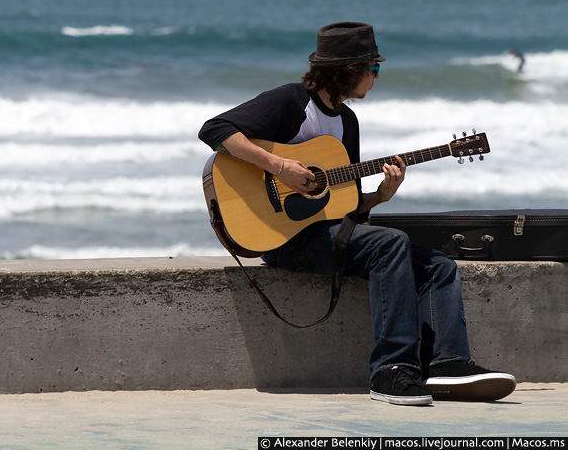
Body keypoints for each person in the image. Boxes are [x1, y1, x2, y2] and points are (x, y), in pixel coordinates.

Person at [198, 22, 517, 406]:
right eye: (374, 69)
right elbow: (214, 130)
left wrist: (379, 196)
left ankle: (448, 363)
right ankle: (391, 371)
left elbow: (341, 201)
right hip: (283, 239)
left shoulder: (347, 121)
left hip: (324, 234)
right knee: (390, 243)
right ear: (349, 70)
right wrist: (280, 167)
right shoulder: (289, 102)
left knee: (438, 265)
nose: (376, 78)